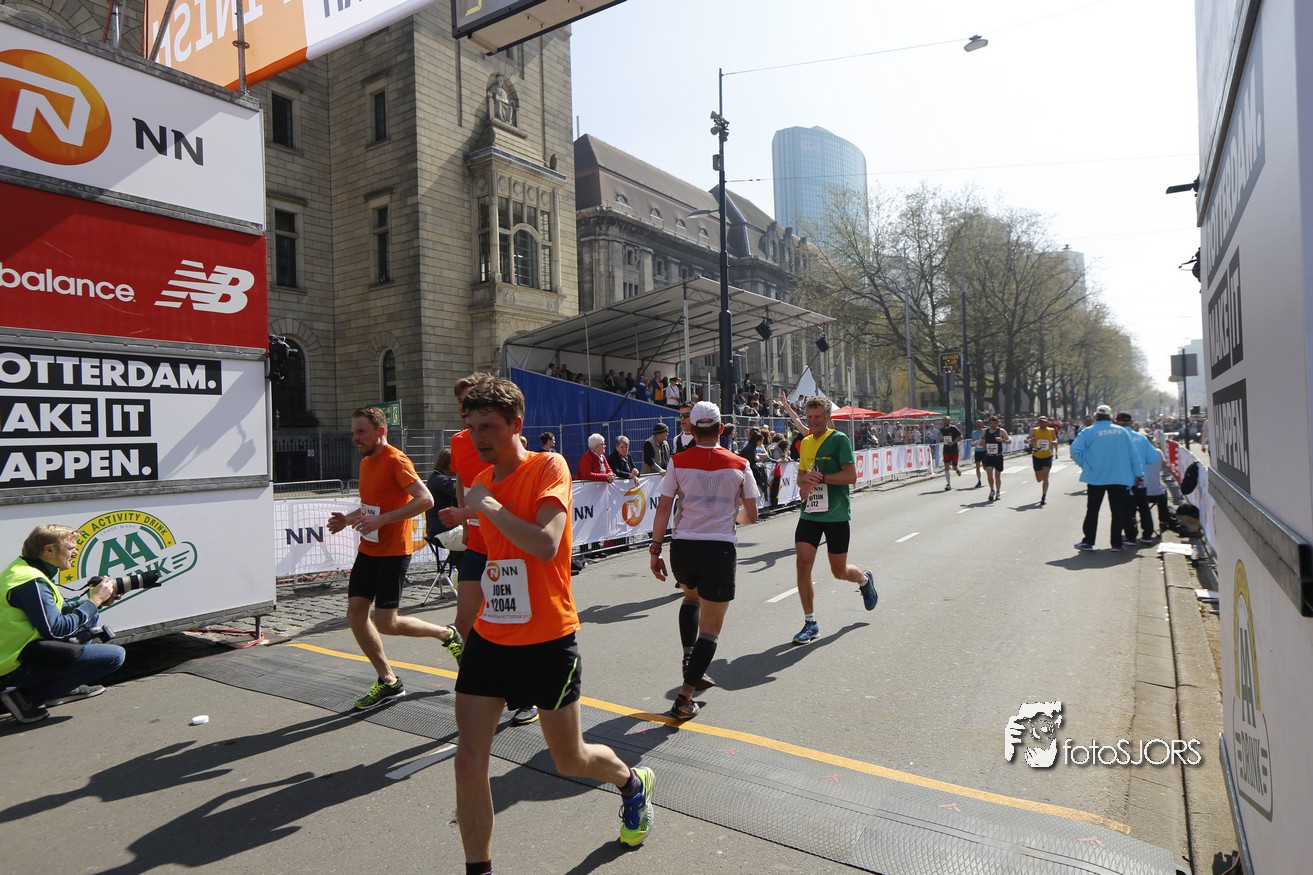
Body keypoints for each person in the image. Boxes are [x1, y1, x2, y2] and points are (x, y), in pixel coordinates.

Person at [452, 376, 655, 868]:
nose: (479, 437)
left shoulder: (548, 465)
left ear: (516, 424)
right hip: (492, 637)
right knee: (468, 759)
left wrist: (487, 505)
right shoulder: (481, 482)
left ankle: (632, 783)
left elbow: (545, 544)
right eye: (471, 427)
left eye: (489, 426)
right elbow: (495, 558)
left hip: (547, 638)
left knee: (570, 758)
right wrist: (464, 523)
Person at [328, 407, 461, 710]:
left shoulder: (396, 460)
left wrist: (383, 520)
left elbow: (425, 499)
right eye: (354, 431)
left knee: (386, 623)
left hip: (393, 552)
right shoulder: (366, 462)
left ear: (380, 432)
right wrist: (347, 520)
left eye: (361, 432)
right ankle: (388, 680)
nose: (355, 437)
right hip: (368, 550)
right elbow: (371, 507)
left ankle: (446, 634)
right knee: (356, 615)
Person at [649, 401, 759, 719]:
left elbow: (663, 508)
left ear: (693, 430)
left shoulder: (678, 461)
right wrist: (729, 517)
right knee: (710, 629)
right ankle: (684, 697)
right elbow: (752, 514)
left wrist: (655, 549)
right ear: (721, 429)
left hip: (683, 547)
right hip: (718, 549)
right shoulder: (739, 463)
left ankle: (689, 656)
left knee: (690, 597)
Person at [442, 376, 540, 726]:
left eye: (470, 399)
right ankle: (485, 685)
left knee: (512, 627)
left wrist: (481, 510)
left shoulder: (508, 441)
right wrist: (465, 516)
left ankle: (524, 696)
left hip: (507, 549)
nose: (464, 407)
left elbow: (510, 484)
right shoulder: (458, 441)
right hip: (477, 545)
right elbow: (462, 482)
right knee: (464, 623)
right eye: (461, 403)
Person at [0, 524, 126, 724]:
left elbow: (54, 610)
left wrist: (93, 602)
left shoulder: (25, 569)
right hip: (12, 665)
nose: (75, 553)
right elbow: (55, 630)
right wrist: (94, 601)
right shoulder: (30, 581)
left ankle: (63, 689)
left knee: (90, 615)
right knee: (114, 656)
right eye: (70, 548)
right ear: (49, 550)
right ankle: (26, 698)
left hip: (24, 650)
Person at [779, 395, 878, 645]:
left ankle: (864, 580)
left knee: (839, 571)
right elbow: (801, 476)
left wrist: (822, 478)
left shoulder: (839, 440)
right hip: (810, 513)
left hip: (836, 514)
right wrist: (806, 481)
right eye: (809, 417)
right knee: (802, 564)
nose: (812, 421)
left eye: (817, 417)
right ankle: (810, 622)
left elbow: (851, 476)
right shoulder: (806, 442)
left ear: (827, 418)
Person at [1069, 405, 1145, 551]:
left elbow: (1075, 450)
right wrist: (1139, 474)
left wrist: (1085, 465)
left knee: (1092, 510)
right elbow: (1133, 456)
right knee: (1118, 512)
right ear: (1110, 416)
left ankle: (1088, 541)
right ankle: (1116, 544)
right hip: (1119, 477)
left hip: (1096, 477)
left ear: (1096, 416)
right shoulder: (1122, 431)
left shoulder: (1089, 431)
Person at [1115, 412, 1161, 544]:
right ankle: (1147, 535)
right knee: (1143, 504)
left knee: (1126, 507)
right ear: (1132, 422)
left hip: (1123, 478)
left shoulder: (1116, 439)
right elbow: (1152, 458)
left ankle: (1131, 536)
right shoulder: (1141, 438)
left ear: (1116, 423)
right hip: (1139, 476)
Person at [1026, 415, 1059, 506]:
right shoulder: (1035, 430)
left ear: (1047, 422)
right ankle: (1042, 479)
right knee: (1039, 479)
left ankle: (1044, 496)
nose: (1043, 423)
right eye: (1041, 422)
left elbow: (1055, 439)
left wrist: (1055, 442)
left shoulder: (1051, 430)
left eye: (1044, 422)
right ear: (1039, 422)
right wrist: (1028, 440)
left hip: (1047, 456)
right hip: (1037, 456)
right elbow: (1028, 438)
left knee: (1045, 476)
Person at [980, 415, 1009, 502]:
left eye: (995, 423)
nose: (993, 425)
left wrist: (1002, 440)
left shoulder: (1001, 431)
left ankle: (998, 492)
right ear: (989, 423)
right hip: (989, 456)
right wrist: (982, 442)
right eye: (991, 423)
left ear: (997, 423)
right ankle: (992, 490)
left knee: (997, 476)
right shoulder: (985, 431)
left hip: (998, 456)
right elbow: (982, 441)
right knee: (989, 474)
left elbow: (1009, 441)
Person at [938, 416, 962, 491]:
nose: (946, 422)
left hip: (954, 450)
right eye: (944, 420)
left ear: (950, 421)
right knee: (946, 466)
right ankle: (948, 484)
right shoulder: (942, 429)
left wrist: (953, 442)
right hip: (946, 450)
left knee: (954, 467)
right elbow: (942, 438)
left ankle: (957, 469)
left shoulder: (954, 428)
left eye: (947, 420)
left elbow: (961, 437)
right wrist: (940, 440)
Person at [970, 419, 986, 488]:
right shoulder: (974, 432)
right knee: (977, 466)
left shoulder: (985, 431)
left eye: (980, 423)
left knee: (985, 467)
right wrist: (974, 443)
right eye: (977, 423)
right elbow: (972, 442)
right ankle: (979, 481)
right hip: (977, 451)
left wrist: (984, 442)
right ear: (976, 425)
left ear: (982, 424)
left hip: (984, 451)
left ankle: (990, 476)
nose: (978, 425)